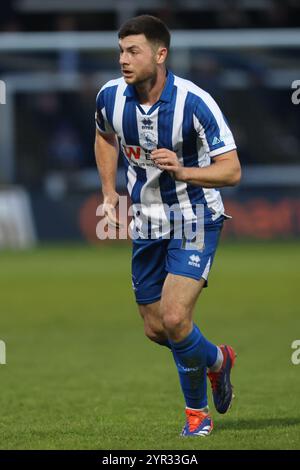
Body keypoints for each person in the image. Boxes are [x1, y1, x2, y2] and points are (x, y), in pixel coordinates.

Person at [94, 15, 241, 437]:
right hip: (146, 221)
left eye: (133, 51)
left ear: (160, 55)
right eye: (121, 50)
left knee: (176, 318)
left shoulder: (195, 103)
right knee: (157, 328)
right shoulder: (109, 97)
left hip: (194, 216)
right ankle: (217, 360)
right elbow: (104, 136)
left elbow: (231, 171)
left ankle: (197, 418)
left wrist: (184, 170)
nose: (124, 59)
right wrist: (108, 193)